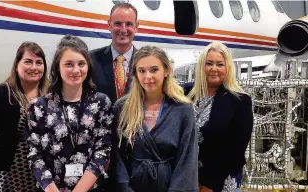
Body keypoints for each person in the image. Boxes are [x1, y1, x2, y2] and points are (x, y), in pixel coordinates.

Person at [27, 35, 113, 192]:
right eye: (68, 64)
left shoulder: (101, 103)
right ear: (57, 68)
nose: (76, 70)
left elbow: (102, 151)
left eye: (81, 64)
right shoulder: (39, 107)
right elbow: (35, 155)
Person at [114, 46, 198, 192]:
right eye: (142, 71)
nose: (148, 77)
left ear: (166, 70)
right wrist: (124, 187)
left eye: (154, 70)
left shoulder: (182, 109)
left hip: (170, 186)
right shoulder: (123, 107)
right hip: (132, 186)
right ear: (135, 73)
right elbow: (118, 155)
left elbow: (187, 159)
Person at [183, 41, 253, 192]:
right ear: (202, 66)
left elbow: (236, 151)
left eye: (220, 64)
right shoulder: (184, 93)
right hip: (186, 179)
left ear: (227, 68)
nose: (214, 69)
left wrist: (209, 185)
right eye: (209, 63)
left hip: (221, 182)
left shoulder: (240, 101)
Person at [0, 42, 49, 191]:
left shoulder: (52, 96)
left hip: (45, 175)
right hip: (10, 175)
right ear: (17, 64)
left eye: (39, 63)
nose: (34, 67)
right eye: (28, 62)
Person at [89, 2, 139, 104]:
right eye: (118, 24)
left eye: (129, 24)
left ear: (136, 26)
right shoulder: (91, 59)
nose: (123, 30)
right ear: (109, 25)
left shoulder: (145, 62)